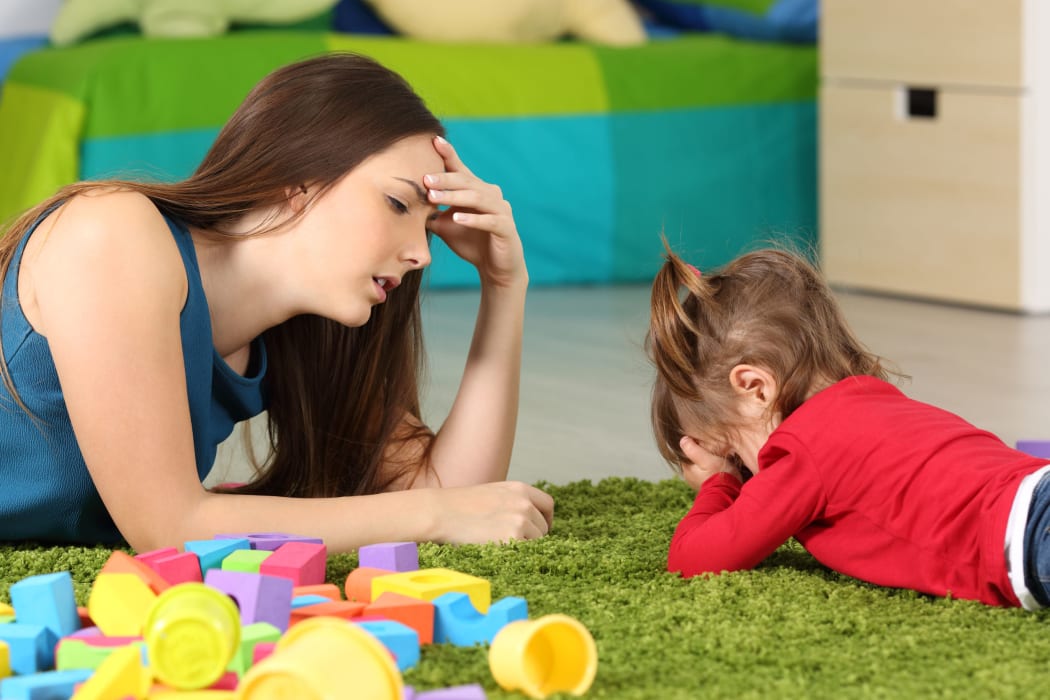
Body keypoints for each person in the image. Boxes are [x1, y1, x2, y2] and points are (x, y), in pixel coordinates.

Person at [0, 52, 554, 553]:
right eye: (396, 203)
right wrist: (432, 515)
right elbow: (167, 527)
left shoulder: (296, 335)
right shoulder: (111, 233)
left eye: (427, 227)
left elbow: (457, 495)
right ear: (298, 180)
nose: (421, 256)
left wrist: (504, 287)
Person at [646, 245, 1050, 608]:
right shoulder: (871, 398)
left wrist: (719, 483)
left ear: (755, 388)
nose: (750, 478)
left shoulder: (800, 451)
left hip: (1031, 537)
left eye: (735, 454)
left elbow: (692, 560)